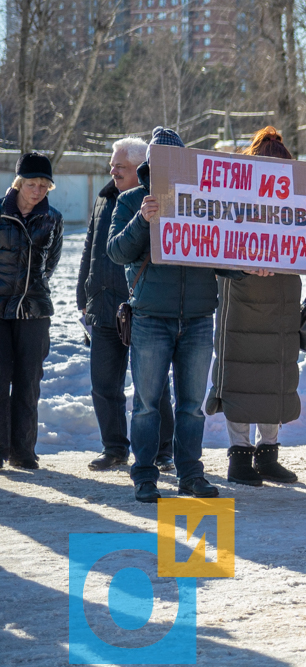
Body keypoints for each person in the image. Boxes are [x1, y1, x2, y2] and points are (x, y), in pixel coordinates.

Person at [107, 128, 222, 502]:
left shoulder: (205, 200)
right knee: (146, 404)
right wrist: (142, 219)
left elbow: (226, 252)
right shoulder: (130, 200)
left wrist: (251, 267)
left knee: (192, 406)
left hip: (198, 318)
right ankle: (144, 476)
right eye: (160, 161)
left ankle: (191, 474)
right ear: (150, 164)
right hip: (151, 318)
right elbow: (117, 252)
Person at [205, 128, 303, 487]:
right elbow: (214, 243)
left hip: (281, 295)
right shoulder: (231, 199)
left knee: (275, 375)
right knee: (242, 376)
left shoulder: (297, 204)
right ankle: (240, 456)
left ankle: (269, 453)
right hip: (242, 294)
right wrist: (242, 265)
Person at [79, 137, 176, 472]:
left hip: (143, 308)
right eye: (112, 164)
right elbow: (91, 249)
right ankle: (114, 447)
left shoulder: (159, 201)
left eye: (120, 166)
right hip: (104, 307)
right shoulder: (105, 199)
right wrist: (83, 298)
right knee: (104, 384)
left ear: (140, 169)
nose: (112, 170)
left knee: (154, 386)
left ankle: (164, 451)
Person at [0, 153, 63, 471]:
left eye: (43, 185)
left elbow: (50, 263)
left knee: (29, 381)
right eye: (31, 183)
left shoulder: (53, 218)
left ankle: (23, 451)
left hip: (35, 310)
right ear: (18, 182)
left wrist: (30, 288)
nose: (37, 190)